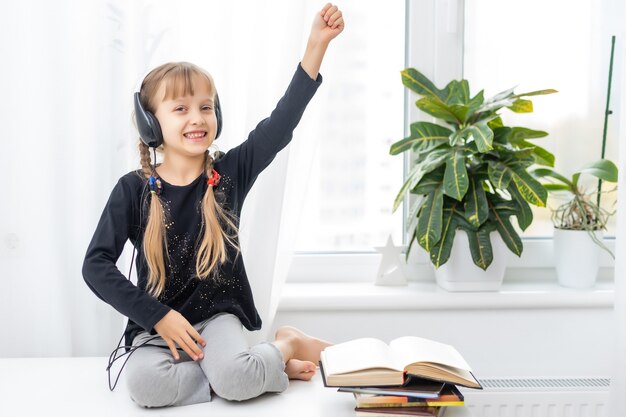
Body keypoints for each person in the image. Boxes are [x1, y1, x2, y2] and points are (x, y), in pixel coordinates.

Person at [82, 3, 344, 408]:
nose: (197, 118)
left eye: (206, 107)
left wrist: (315, 46)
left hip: (217, 319)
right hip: (159, 325)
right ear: (152, 123)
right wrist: (157, 316)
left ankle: (281, 347)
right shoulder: (132, 189)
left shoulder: (231, 172)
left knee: (236, 380)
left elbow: (280, 124)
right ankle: (259, 368)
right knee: (146, 387)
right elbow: (95, 265)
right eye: (181, 109)